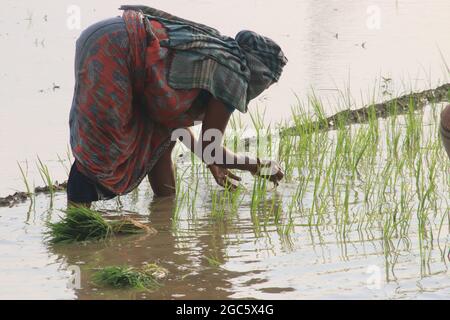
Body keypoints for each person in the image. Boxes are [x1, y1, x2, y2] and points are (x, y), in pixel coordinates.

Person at [67, 5, 287, 208]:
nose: (263, 89)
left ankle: (163, 212)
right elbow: (213, 149)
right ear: (260, 71)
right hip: (116, 48)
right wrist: (258, 165)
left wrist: (209, 159)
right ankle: (77, 223)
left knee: (161, 140)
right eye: (268, 83)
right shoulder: (234, 75)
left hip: (106, 36)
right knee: (104, 145)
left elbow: (177, 127)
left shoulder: (221, 54)